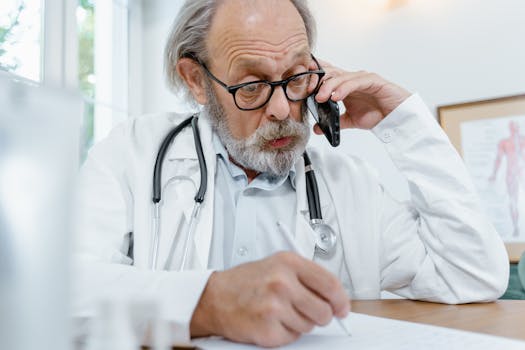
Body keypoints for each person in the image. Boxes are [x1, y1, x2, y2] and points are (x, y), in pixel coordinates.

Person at [73, 0, 509, 347]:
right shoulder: (133, 153)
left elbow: (470, 274)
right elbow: (63, 287)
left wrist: (403, 124)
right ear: (196, 80)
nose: (282, 109)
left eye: (297, 77)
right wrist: (211, 303)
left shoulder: (350, 184)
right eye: (252, 86)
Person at [489, 120, 525, 237]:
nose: (515, 129)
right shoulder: (504, 142)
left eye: (516, 127)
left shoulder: (523, 140)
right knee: (513, 201)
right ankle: (515, 227)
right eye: (513, 127)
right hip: (511, 174)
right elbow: (498, 159)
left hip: (521, 172)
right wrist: (494, 174)